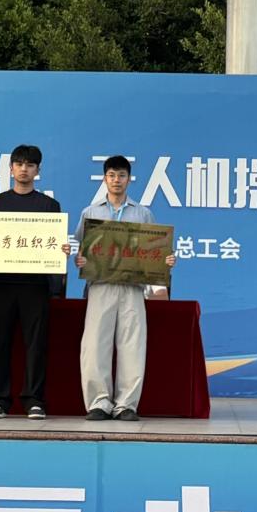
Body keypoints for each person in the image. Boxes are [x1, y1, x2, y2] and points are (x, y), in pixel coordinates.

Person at [74, 155, 176, 422]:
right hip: (100, 285)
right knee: (95, 344)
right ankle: (98, 402)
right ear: (104, 178)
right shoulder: (90, 212)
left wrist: (165, 261)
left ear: (129, 179)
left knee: (132, 344)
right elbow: (81, 250)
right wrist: (79, 260)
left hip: (133, 287)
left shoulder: (143, 213)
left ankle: (126, 404)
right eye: (111, 175)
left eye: (121, 175)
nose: (116, 180)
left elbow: (154, 250)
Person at [0, 144, 70, 420]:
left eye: (30, 165)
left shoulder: (49, 206)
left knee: (36, 344)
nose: (24, 169)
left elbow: (54, 244)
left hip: (36, 285)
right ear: (10, 169)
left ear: (38, 170)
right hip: (2, 283)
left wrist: (60, 250)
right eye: (19, 164)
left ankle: (34, 400)